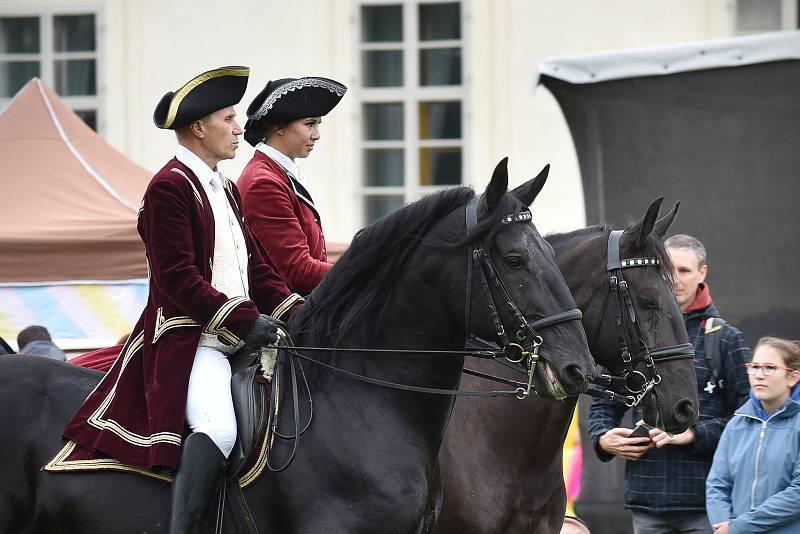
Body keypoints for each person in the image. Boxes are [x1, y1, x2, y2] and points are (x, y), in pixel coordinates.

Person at [61, 66, 304, 532]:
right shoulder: (169, 187)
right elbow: (177, 280)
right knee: (219, 428)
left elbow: (257, 268)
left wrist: (299, 312)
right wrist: (245, 320)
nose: (239, 129)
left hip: (237, 334)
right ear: (199, 128)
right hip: (192, 341)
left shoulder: (226, 187)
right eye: (229, 119)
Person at [588, 233, 752, 534]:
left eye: (685, 270)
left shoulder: (726, 339)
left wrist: (692, 434)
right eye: (668, 270)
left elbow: (748, 419)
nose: (675, 279)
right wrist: (603, 437)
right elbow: (603, 401)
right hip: (645, 502)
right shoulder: (632, 337)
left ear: (702, 273)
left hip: (710, 505)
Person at [238, 76, 347, 295]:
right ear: (278, 126)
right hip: (283, 316)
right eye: (309, 124)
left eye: (317, 124)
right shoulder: (264, 182)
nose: (316, 135)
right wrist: (364, 273)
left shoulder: (279, 173)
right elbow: (299, 271)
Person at [706, 337, 800, 534]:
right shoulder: (735, 425)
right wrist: (723, 524)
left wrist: (739, 527)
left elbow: (797, 494)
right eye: (754, 367)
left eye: (769, 368)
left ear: (793, 377)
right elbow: (717, 485)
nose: (759, 375)